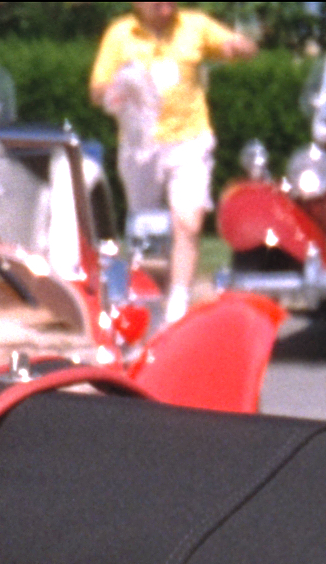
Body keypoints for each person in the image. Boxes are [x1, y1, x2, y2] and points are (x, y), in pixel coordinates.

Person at [91, 1, 257, 326]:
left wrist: (240, 45)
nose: (164, 7)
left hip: (189, 140)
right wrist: (114, 93)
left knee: (189, 221)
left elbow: (242, 48)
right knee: (147, 232)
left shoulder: (194, 25)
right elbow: (97, 89)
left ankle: (178, 305)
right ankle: (151, 300)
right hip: (140, 145)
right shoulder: (120, 34)